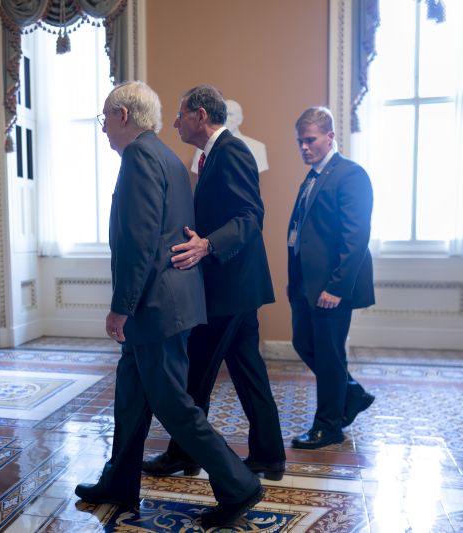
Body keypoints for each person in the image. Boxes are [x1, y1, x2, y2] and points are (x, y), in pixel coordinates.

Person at [74, 81, 264, 528]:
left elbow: (140, 242)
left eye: (105, 118)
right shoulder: (166, 156)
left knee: (174, 406)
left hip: (154, 308)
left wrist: (121, 306)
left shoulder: (140, 156)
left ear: (123, 116)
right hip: (166, 303)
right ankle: (118, 483)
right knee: (130, 399)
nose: (103, 128)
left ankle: (239, 486)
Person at [142, 84, 286, 481]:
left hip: (230, 288)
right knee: (247, 370)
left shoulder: (232, 151)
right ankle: (269, 454)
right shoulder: (212, 155)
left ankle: (182, 453)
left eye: (180, 114)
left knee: (196, 373)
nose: (174, 123)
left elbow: (250, 217)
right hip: (236, 287)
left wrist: (206, 245)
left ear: (201, 115)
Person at [287, 106, 376, 449]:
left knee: (329, 353)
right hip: (305, 284)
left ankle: (328, 426)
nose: (304, 147)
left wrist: (336, 287)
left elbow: (356, 237)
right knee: (304, 343)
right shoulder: (313, 176)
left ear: (330, 137)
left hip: (331, 286)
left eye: (310, 140)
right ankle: (351, 394)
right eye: (300, 142)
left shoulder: (351, 175)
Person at [190, 99, 269, 173]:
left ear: (240, 119)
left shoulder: (257, 148)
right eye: (223, 114)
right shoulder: (203, 149)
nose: (226, 118)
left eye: (231, 114)